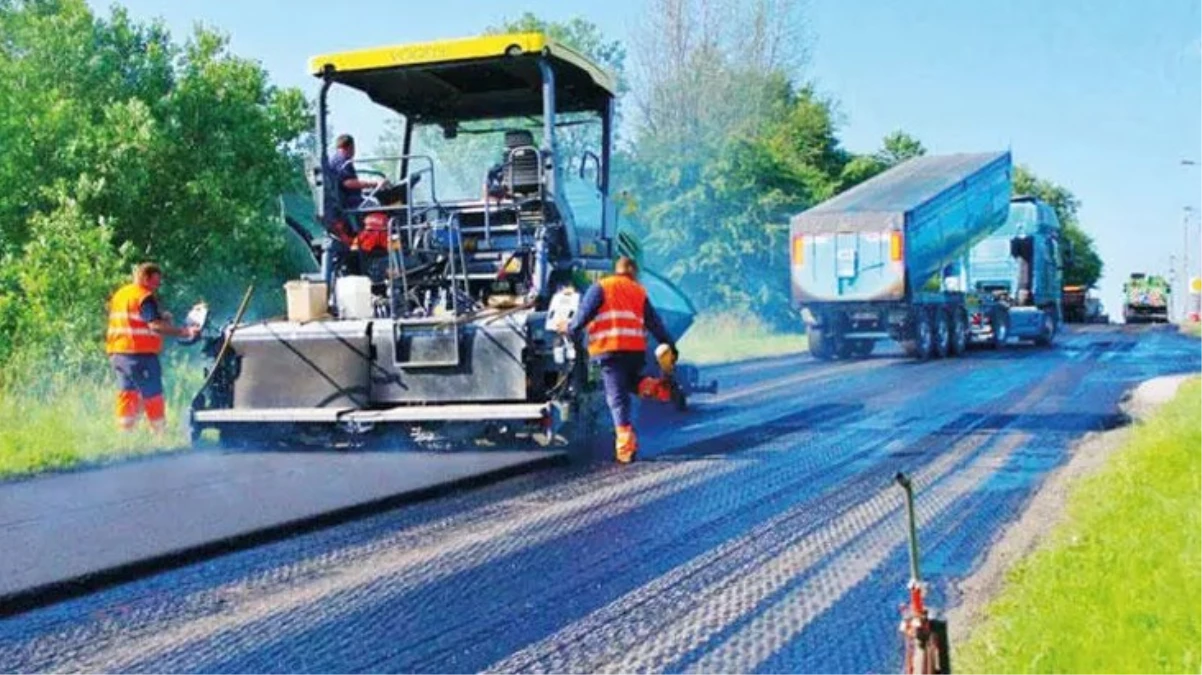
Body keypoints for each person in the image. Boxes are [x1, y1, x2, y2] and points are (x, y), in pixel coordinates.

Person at [561, 256, 678, 463]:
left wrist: (569, 330)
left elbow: (582, 316)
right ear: (633, 272)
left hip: (610, 350)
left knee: (616, 398)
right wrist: (670, 345)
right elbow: (655, 323)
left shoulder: (601, 287)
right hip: (634, 351)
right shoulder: (638, 291)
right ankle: (657, 387)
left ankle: (625, 448)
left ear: (617, 270)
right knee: (633, 382)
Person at [105, 263, 198, 435]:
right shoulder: (144, 296)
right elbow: (154, 326)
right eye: (155, 282)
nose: (157, 286)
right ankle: (160, 434)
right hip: (140, 355)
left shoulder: (121, 294)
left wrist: (161, 316)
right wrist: (184, 332)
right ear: (144, 277)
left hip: (118, 353)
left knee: (127, 393)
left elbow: (132, 318)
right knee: (153, 394)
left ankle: (125, 434)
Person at [321, 134, 388, 289]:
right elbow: (348, 182)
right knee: (378, 204)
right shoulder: (343, 160)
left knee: (372, 201)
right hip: (350, 204)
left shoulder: (335, 159)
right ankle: (380, 242)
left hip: (347, 202)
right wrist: (374, 184)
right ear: (350, 147)